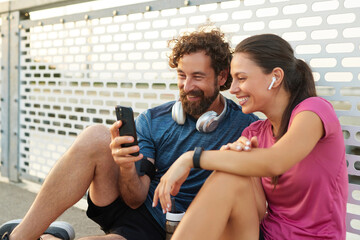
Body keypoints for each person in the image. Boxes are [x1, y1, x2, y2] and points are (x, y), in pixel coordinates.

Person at [0, 28, 258, 240]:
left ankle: (52, 236)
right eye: (181, 75)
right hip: (137, 207)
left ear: (222, 76)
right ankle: (19, 237)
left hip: (179, 228)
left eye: (198, 77)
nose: (187, 86)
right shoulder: (154, 119)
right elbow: (134, 199)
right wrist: (125, 166)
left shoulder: (246, 127)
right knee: (96, 135)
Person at [153, 33, 348, 240]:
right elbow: (256, 210)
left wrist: (191, 158)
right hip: (263, 235)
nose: (233, 89)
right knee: (229, 175)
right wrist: (237, 163)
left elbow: (276, 161)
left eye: (242, 78)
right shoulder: (254, 133)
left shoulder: (314, 111)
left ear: (276, 77)